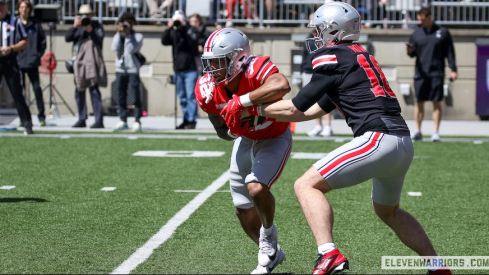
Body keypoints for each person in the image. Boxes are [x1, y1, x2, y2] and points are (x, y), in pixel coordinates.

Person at [229, 3, 452, 274]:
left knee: (305, 186)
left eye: (319, 30)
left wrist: (247, 106)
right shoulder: (358, 55)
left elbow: (295, 106)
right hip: (402, 143)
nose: (316, 36)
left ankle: (329, 254)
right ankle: (437, 266)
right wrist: (262, 113)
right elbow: (309, 112)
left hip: (377, 138)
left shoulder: (332, 56)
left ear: (333, 30)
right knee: (388, 210)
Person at [195, 28, 291, 274]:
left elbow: (281, 84)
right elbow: (220, 129)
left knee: (257, 188)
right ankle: (271, 254)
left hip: (274, 135)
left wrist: (242, 102)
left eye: (219, 62)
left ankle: (268, 234)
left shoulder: (255, 68)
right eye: (210, 63)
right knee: (242, 207)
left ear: (238, 59)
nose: (213, 69)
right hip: (246, 139)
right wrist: (233, 130)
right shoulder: (207, 88)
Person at [407, 6, 457, 142]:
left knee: (437, 102)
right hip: (421, 74)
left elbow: (450, 52)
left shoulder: (443, 32)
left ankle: (436, 132)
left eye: (422, 19)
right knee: (419, 102)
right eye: (418, 20)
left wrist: (453, 69)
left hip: (437, 73)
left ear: (429, 18)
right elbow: (412, 54)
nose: (420, 22)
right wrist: (410, 50)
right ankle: (417, 131)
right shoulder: (416, 33)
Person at [65, 4, 105, 129]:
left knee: (94, 90)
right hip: (79, 63)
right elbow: (67, 38)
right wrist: (74, 26)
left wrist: (90, 30)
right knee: (79, 89)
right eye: (83, 15)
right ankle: (82, 118)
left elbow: (100, 39)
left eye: (87, 15)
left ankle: (99, 120)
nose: (85, 18)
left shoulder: (96, 26)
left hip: (92, 63)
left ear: (91, 15)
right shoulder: (77, 27)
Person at [161, 10, 199, 129]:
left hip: (190, 69)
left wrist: (185, 26)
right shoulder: (174, 32)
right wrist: (169, 28)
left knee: (190, 96)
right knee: (182, 97)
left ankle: (192, 120)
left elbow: (194, 40)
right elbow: (164, 41)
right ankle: (185, 119)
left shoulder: (190, 30)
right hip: (178, 69)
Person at [0, 0, 33, 135]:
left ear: (7, 6)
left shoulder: (15, 21)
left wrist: (12, 48)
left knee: (17, 92)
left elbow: (25, 41)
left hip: (10, 60)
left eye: (2, 4)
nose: (0, 7)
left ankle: (27, 125)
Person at [302, 13, 333, 137]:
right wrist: (303, 69)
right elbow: (305, 57)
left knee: (325, 99)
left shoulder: (327, 38)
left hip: (322, 73)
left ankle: (328, 126)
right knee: (312, 101)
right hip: (309, 72)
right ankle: (318, 126)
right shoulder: (309, 37)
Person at [111, 12, 144, 132]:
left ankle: (137, 120)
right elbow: (114, 48)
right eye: (125, 22)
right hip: (120, 69)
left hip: (132, 69)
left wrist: (128, 35)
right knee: (121, 95)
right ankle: (123, 119)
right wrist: (119, 34)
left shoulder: (138, 36)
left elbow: (131, 49)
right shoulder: (118, 34)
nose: (127, 25)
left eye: (129, 23)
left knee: (135, 95)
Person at [16, 0, 46, 127]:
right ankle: (23, 117)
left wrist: (37, 55)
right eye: (22, 7)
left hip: (32, 62)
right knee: (20, 91)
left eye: (26, 7)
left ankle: (41, 117)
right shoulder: (15, 24)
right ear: (18, 9)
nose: (24, 10)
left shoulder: (35, 24)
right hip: (18, 62)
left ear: (29, 9)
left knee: (37, 89)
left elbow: (42, 42)